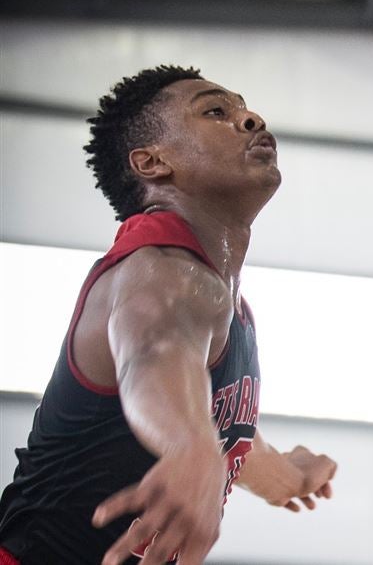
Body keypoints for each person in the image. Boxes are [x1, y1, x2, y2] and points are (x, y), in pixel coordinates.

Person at [0, 66, 337, 565]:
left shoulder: (229, 304)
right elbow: (151, 355)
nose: (250, 119)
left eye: (243, 107)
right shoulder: (159, 268)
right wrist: (188, 446)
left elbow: (226, 437)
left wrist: (289, 477)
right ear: (153, 162)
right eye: (215, 111)